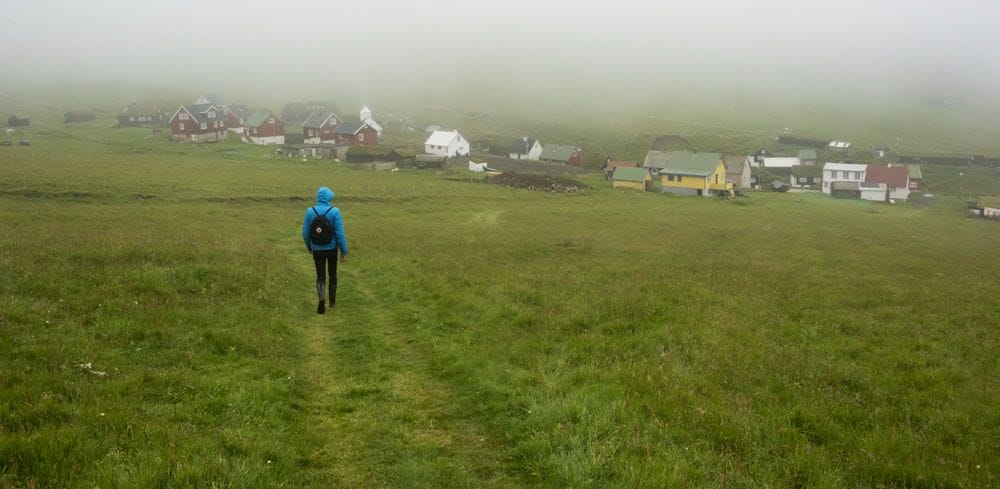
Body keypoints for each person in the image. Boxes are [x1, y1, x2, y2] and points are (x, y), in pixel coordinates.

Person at [302, 186, 348, 314]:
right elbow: (340, 234)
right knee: (332, 274)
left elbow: (305, 233)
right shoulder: (335, 211)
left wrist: (309, 246)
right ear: (329, 198)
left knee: (320, 275)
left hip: (317, 249)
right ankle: (332, 302)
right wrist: (344, 251)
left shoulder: (310, 211)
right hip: (332, 249)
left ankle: (321, 297)